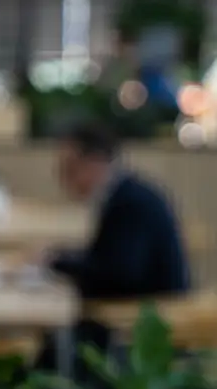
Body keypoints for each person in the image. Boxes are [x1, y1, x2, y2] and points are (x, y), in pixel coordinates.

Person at [42, 119, 189, 301]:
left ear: (95, 161)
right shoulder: (124, 192)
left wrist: (55, 263)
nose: (64, 180)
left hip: (152, 310)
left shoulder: (131, 202)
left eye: (70, 170)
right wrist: (60, 258)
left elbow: (119, 275)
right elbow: (107, 259)